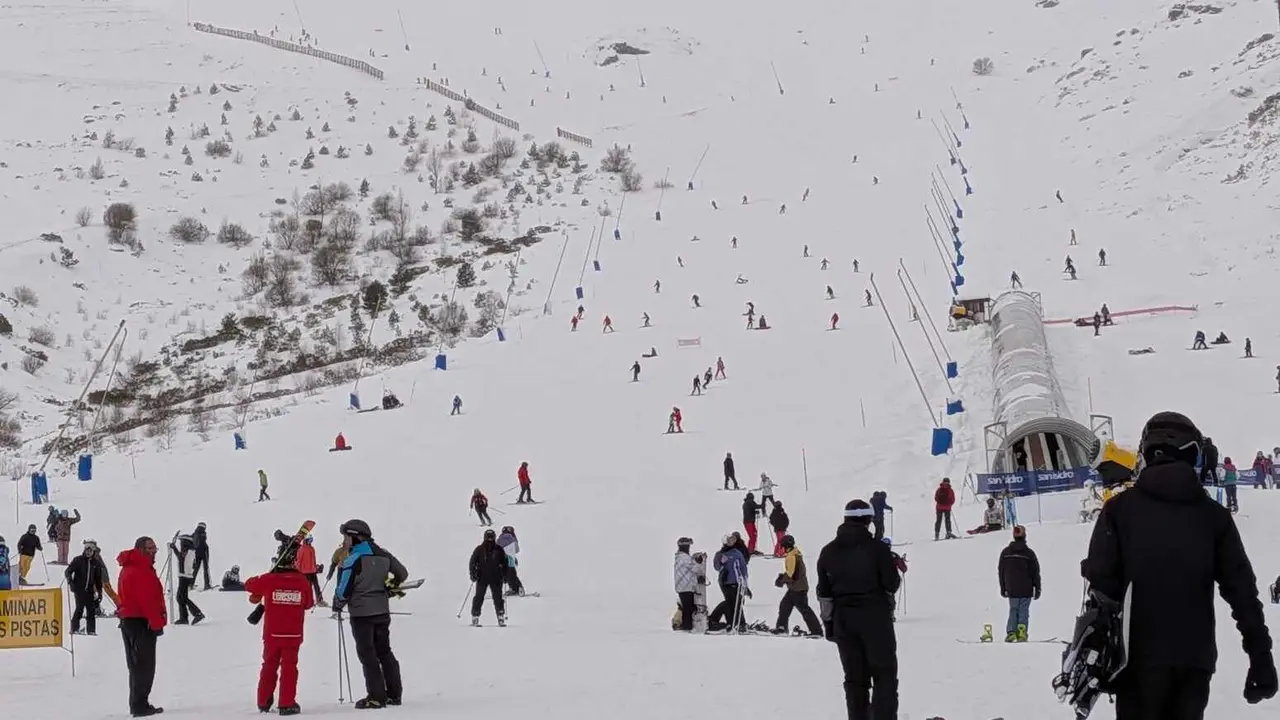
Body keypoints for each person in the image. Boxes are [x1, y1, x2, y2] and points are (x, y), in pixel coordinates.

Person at [1083, 411, 1277, 717]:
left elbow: (1100, 586)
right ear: (1194, 455)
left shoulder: (1118, 511)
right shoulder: (1213, 517)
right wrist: (1260, 656)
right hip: (1193, 662)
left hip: (1134, 660)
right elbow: (1243, 592)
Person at [817, 500, 901, 719]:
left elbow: (824, 594)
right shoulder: (878, 549)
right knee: (884, 675)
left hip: (844, 621)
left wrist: (830, 625)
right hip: (876, 619)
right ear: (868, 520)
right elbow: (891, 584)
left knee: (855, 680)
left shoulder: (828, 552)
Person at [333, 519, 409, 709]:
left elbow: (344, 589)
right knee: (385, 651)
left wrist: (338, 604)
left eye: (346, 536)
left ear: (355, 536)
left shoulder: (353, 558)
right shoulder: (383, 554)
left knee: (368, 654)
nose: (345, 541)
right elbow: (403, 573)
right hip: (382, 610)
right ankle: (394, 694)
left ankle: (376, 696)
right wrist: (389, 586)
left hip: (361, 613)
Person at [245, 536, 315, 715]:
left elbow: (249, 584)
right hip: (293, 634)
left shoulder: (270, 579)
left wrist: (268, 577)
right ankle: (286, 702)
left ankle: (263, 701)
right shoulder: (302, 582)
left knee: (268, 665)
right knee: (290, 667)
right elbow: (308, 604)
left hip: (272, 633)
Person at [117, 536, 167, 717]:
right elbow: (147, 600)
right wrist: (156, 623)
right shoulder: (140, 570)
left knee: (136, 666)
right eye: (150, 548)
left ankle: (139, 703)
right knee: (144, 666)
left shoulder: (131, 567)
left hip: (130, 621)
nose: (154, 551)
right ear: (140, 549)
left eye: (155, 548)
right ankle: (139, 705)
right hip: (139, 622)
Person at [997, 525, 1041, 642]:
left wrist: (1003, 587)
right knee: (1023, 610)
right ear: (1025, 536)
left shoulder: (1005, 553)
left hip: (1011, 587)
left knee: (1013, 609)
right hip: (1026, 588)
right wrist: (1037, 588)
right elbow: (1035, 572)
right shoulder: (1029, 554)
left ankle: (1011, 632)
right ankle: (1021, 631)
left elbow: (1001, 571)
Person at [774, 535, 822, 636]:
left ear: (786, 546)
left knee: (804, 610)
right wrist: (783, 577)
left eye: (782, 546)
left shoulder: (791, 557)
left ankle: (816, 631)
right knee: (784, 606)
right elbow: (794, 572)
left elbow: (791, 574)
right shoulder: (795, 554)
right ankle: (781, 627)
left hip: (798, 589)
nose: (781, 549)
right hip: (795, 587)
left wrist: (781, 580)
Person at [707, 534, 748, 632]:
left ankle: (737, 622)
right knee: (732, 602)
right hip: (724, 582)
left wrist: (744, 582)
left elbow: (743, 568)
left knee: (736, 602)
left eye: (732, 541)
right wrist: (720, 561)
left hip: (736, 582)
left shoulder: (737, 553)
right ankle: (735, 623)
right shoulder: (720, 554)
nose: (731, 543)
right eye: (729, 541)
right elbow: (716, 567)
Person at [469, 528, 509, 627]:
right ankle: (475, 616)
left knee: (498, 598)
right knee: (479, 597)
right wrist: (473, 574)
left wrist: (505, 575)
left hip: (496, 578)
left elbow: (505, 563)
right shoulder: (479, 549)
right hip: (482, 577)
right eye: (488, 538)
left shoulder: (499, 549)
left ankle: (500, 616)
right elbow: (472, 562)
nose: (490, 540)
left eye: (491, 538)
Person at [66, 539, 104, 635]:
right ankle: (74, 628)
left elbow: (98, 579)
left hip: (90, 590)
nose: (88, 552)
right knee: (79, 608)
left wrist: (100, 593)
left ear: (93, 551)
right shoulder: (78, 560)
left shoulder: (96, 563)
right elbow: (68, 571)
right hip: (79, 589)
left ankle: (91, 630)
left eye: (90, 550)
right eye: (87, 550)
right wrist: (71, 582)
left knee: (91, 610)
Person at [169, 533, 205, 625]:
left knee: (182, 598)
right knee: (180, 597)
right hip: (186, 576)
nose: (181, 544)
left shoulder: (187, 551)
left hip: (184, 577)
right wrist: (174, 548)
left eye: (182, 542)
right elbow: (181, 557)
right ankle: (184, 618)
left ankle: (197, 613)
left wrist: (173, 548)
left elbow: (180, 558)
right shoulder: (190, 551)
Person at [673, 537, 698, 632]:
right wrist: (699, 560)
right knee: (688, 608)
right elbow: (695, 568)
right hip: (686, 586)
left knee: (685, 607)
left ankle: (683, 624)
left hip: (681, 586)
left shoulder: (678, 557)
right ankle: (687, 626)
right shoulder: (685, 558)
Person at [296, 536, 325, 606]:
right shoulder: (302, 549)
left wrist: (317, 567)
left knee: (316, 586)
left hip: (313, 571)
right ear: (305, 540)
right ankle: (307, 601)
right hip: (305, 572)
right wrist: (298, 571)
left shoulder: (312, 548)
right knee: (308, 587)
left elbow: (313, 561)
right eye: (309, 540)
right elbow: (299, 561)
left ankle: (319, 600)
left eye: (311, 540)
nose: (310, 542)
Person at [496, 526, 525, 596]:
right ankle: (519, 588)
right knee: (512, 573)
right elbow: (517, 550)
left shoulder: (499, 538)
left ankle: (512, 588)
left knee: (506, 574)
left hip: (502, 559)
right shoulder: (513, 538)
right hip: (511, 558)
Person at [192, 522, 212, 591]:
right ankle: (207, 584)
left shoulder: (195, 533)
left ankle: (191, 584)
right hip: (204, 552)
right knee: (206, 569)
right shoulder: (203, 533)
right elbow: (203, 543)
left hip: (197, 553)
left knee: (196, 569)